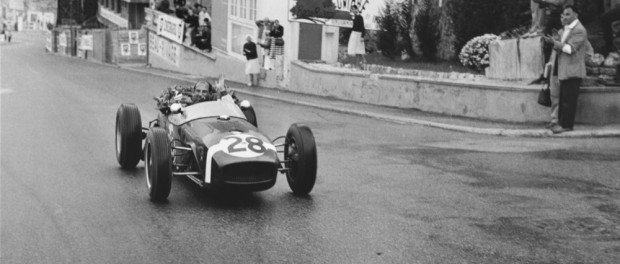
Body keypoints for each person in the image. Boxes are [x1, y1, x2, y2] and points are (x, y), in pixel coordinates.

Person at [542, 5, 587, 134]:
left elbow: (570, 49)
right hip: (565, 69)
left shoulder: (579, 30)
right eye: (563, 14)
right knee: (564, 98)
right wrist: (552, 42)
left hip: (573, 70)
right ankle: (561, 123)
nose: (564, 17)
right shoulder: (566, 29)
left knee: (569, 100)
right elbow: (560, 48)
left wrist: (554, 43)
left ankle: (566, 125)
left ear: (576, 15)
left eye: (568, 14)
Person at [347, 5, 366, 69]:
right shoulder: (353, 17)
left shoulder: (360, 17)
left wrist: (362, 36)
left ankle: (359, 64)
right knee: (353, 50)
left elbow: (363, 27)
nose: (353, 10)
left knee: (359, 51)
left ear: (357, 9)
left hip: (359, 34)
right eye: (352, 9)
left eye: (354, 9)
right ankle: (356, 65)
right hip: (354, 34)